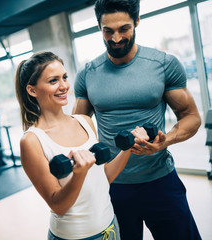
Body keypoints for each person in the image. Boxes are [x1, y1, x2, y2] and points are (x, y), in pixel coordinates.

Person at [72, 0, 202, 239]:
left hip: (160, 180)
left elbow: (191, 117)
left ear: (137, 21)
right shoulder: (88, 74)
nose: (116, 38)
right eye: (108, 31)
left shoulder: (163, 64)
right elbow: (77, 127)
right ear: (99, 27)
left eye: (124, 29)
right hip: (113, 186)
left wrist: (167, 140)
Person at [15, 51, 148, 240]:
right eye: (53, 81)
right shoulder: (32, 141)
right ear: (32, 90)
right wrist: (79, 173)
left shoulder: (85, 121)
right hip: (74, 236)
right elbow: (58, 205)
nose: (64, 86)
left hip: (110, 227)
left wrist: (128, 148)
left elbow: (104, 177)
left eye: (64, 78)